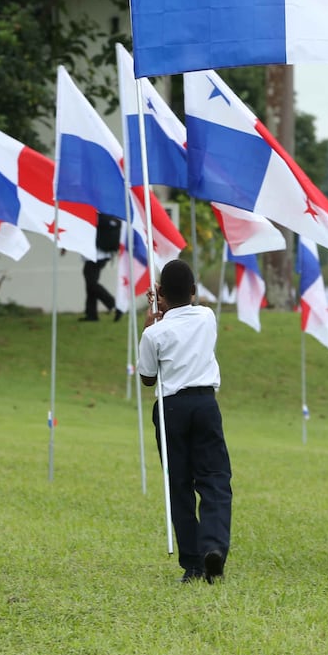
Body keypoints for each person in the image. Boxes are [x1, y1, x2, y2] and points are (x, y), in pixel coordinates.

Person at [138, 259, 232, 584]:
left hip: (170, 408)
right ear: (193, 290)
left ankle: (192, 563)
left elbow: (147, 378)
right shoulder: (207, 317)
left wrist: (151, 320)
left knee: (179, 485)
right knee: (215, 479)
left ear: (161, 293)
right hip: (205, 404)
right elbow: (188, 309)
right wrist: (167, 303)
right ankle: (214, 546)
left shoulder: (154, 333)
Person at [81, 213, 122, 322]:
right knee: (90, 284)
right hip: (103, 254)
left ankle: (114, 304)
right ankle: (91, 314)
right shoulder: (105, 217)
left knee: (91, 283)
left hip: (95, 255)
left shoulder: (94, 217)